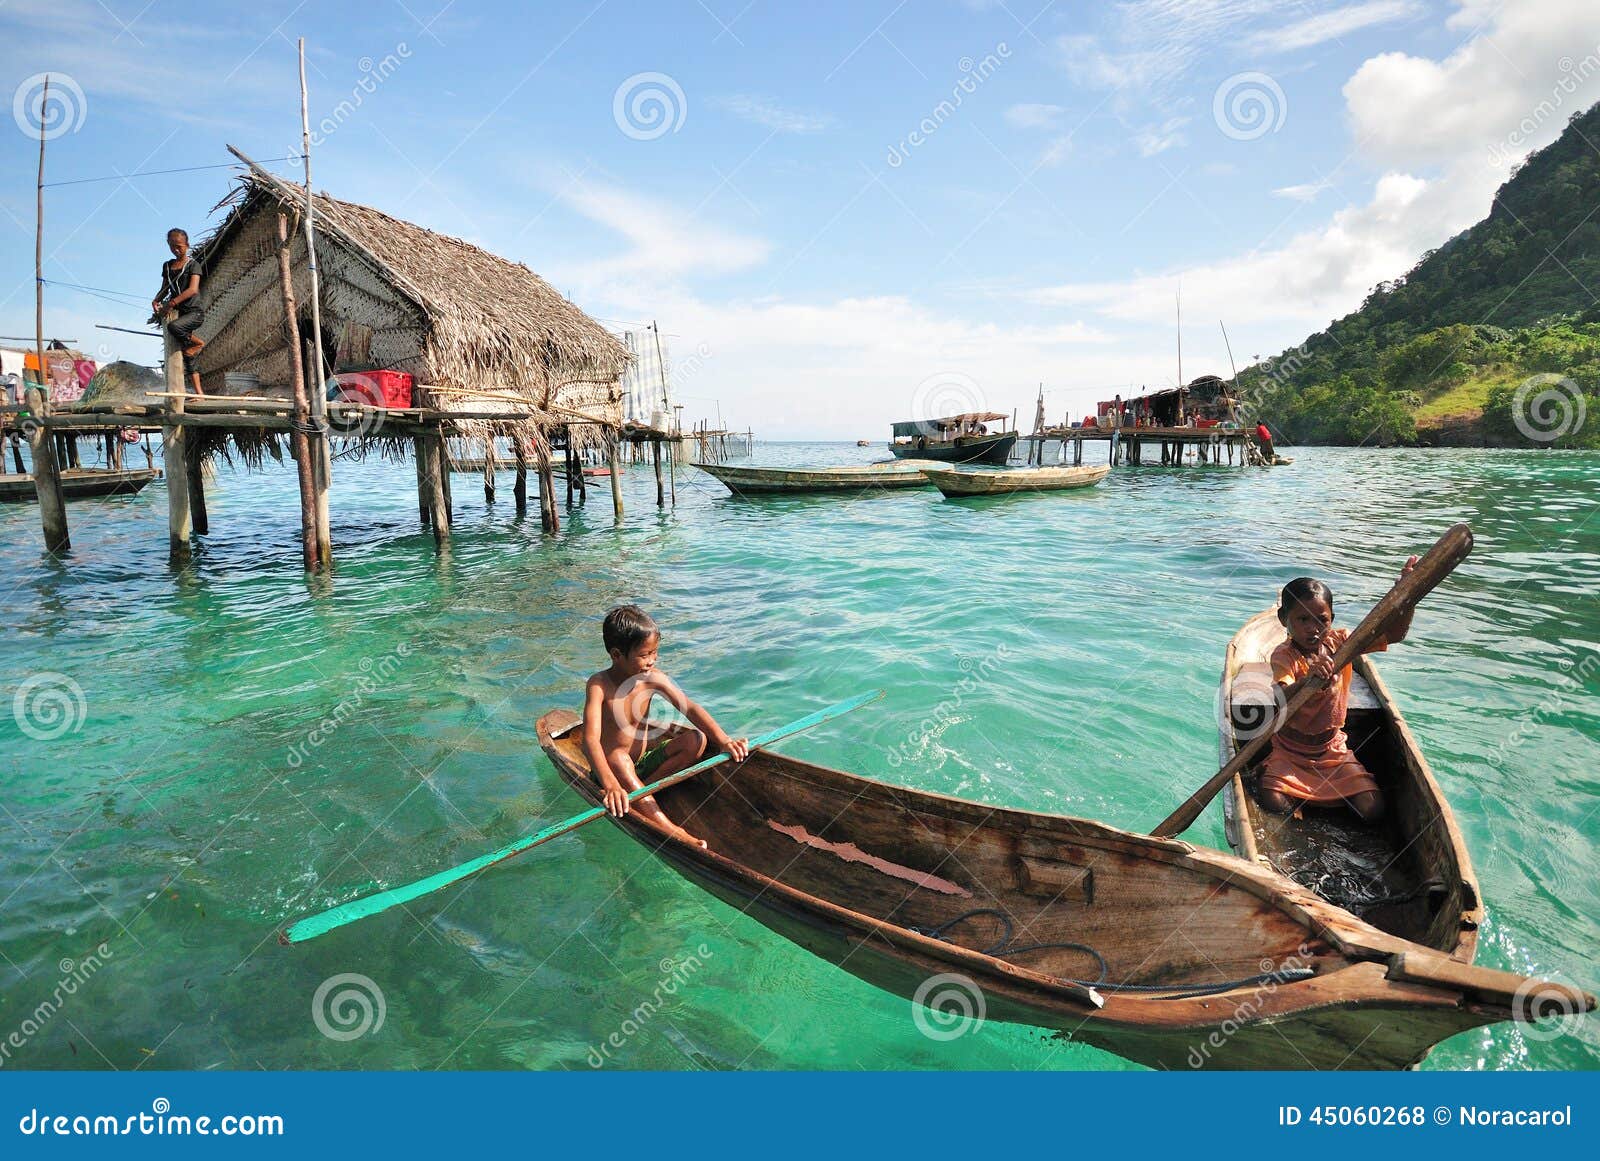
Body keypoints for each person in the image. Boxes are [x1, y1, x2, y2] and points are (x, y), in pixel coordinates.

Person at [1257, 560, 1418, 821]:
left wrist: (1408, 593)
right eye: (1302, 619)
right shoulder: (1284, 656)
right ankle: (1294, 804)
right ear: (1284, 620)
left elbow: (1394, 634)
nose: (1313, 628)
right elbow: (1279, 697)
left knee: (1373, 810)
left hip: (1332, 751)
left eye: (1322, 620)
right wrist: (1308, 679)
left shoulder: (1340, 643)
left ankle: (1317, 802)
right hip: (1291, 752)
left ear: (1332, 619)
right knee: (1272, 801)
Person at [583, 605, 748, 848]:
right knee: (618, 757)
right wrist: (609, 785)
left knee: (697, 740)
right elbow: (590, 740)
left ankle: (642, 794)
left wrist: (724, 740)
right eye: (644, 654)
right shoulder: (599, 685)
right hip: (610, 772)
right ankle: (668, 826)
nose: (652, 661)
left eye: (655, 653)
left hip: (641, 765)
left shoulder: (652, 677)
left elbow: (689, 708)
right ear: (617, 655)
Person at [151, 227, 205, 395]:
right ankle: (200, 394)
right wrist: (156, 300)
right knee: (187, 355)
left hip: (194, 313)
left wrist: (172, 303)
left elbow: (193, 290)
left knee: (173, 327)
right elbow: (165, 288)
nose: (176, 250)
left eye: (179, 246)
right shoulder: (167, 266)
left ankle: (198, 343)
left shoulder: (193, 265)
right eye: (172, 246)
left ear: (187, 245)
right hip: (179, 314)